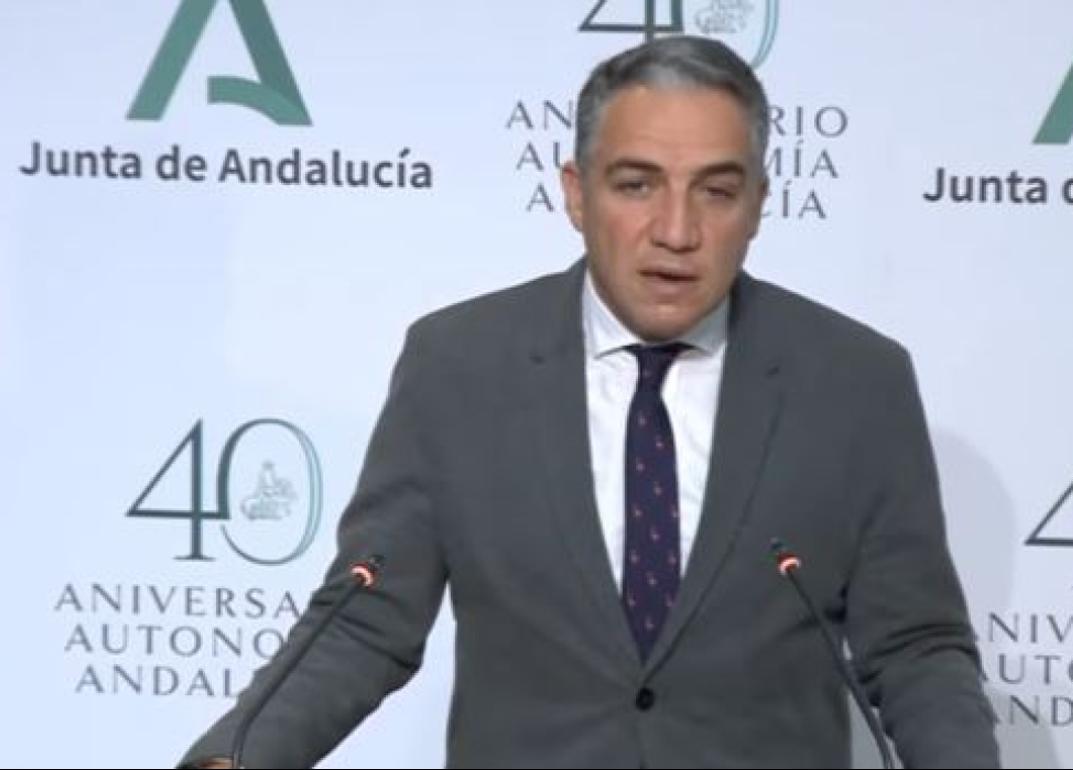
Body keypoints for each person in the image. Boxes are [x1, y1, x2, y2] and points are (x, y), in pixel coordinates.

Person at [181, 35, 1000, 768]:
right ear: (575, 194)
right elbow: (366, 618)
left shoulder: (855, 383)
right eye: (637, 185)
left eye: (716, 192)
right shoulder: (458, 368)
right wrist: (236, 755)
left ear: (758, 202)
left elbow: (914, 649)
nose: (676, 230)